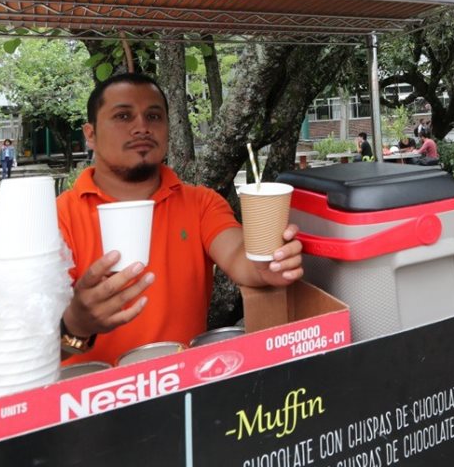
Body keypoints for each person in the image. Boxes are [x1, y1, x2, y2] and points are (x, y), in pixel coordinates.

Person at [56, 73, 304, 365]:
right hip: (92, 399)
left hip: (183, 388)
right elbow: (30, 353)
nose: (142, 127)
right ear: (90, 134)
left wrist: (267, 262)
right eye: (123, 116)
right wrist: (76, 326)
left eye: (154, 116)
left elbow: (239, 255)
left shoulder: (200, 203)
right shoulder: (59, 218)